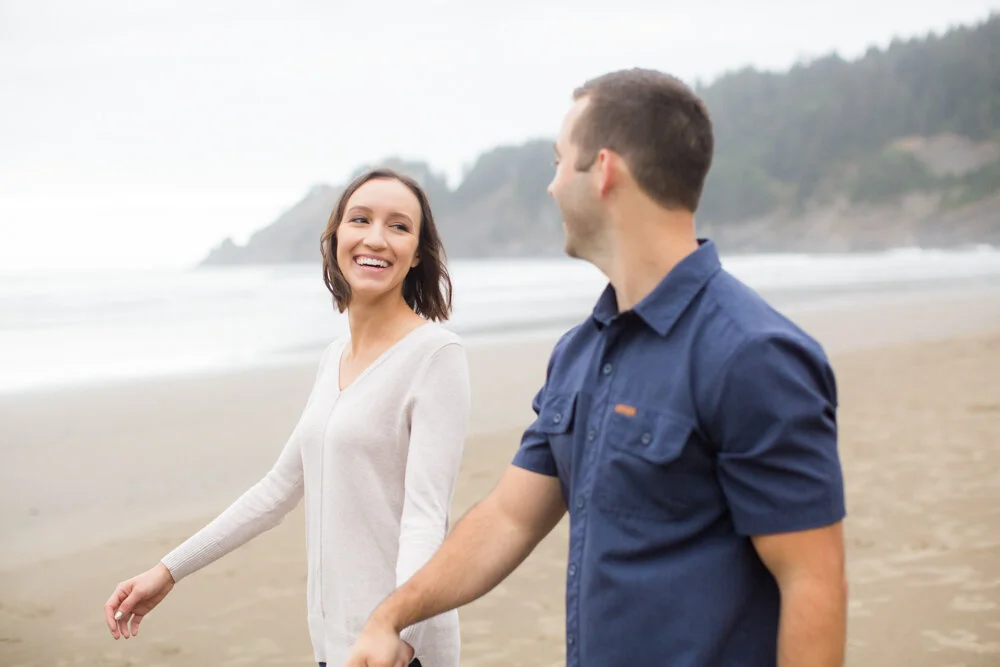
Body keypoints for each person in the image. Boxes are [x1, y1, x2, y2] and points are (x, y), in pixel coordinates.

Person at [344, 69, 848, 667]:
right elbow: (507, 519)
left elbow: (814, 586)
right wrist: (392, 615)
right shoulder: (580, 353)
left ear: (604, 170)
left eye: (561, 162)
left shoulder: (752, 356)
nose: (553, 186)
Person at [103, 168, 471, 667]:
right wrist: (167, 571)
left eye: (399, 226)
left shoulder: (435, 355)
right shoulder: (334, 357)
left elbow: (426, 518)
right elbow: (276, 491)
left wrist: (397, 628)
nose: (376, 238)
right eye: (360, 219)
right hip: (335, 645)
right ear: (336, 236)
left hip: (401, 650)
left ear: (419, 253)